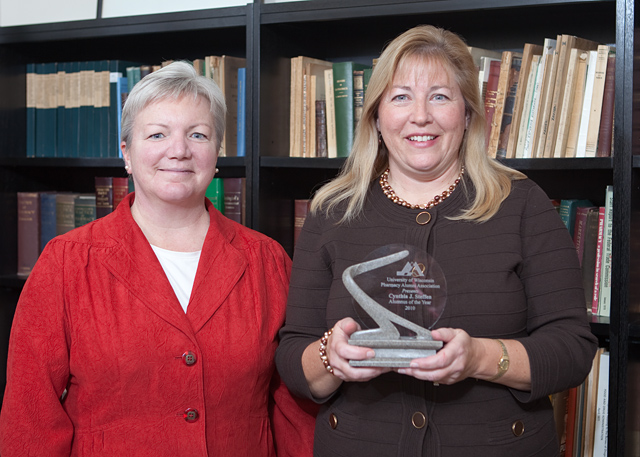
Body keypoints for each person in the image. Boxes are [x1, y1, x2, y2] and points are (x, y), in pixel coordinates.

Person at [275, 25, 598, 456]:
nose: (420, 115)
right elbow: (293, 355)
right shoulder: (332, 211)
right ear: (376, 114)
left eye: (440, 96)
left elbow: (573, 349)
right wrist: (330, 357)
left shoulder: (522, 203)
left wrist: (480, 358)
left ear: (467, 114)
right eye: (401, 96)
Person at [0, 61, 315, 456]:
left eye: (197, 134)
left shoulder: (267, 261)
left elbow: (292, 411)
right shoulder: (67, 262)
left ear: (217, 153)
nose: (178, 150)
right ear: (126, 154)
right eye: (157, 134)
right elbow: (30, 417)